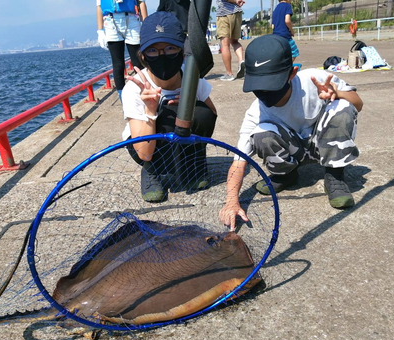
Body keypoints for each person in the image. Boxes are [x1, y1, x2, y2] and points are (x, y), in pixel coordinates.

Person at [219, 35, 363, 230]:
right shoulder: (256, 112)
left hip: (322, 144)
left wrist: (337, 94)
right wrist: (231, 202)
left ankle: (335, 175)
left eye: (272, 84)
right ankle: (285, 174)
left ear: (292, 73)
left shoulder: (316, 80)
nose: (265, 92)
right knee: (261, 133)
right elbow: (238, 162)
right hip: (293, 150)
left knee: (343, 107)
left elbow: (357, 104)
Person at [122, 12, 218, 203]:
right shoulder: (134, 88)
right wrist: (150, 110)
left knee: (200, 113)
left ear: (182, 51)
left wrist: (189, 104)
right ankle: (152, 172)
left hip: (183, 144)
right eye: (153, 50)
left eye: (170, 48)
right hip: (149, 149)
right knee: (166, 115)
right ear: (143, 55)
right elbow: (143, 151)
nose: (162, 55)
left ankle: (195, 164)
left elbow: (211, 116)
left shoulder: (192, 78)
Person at [96, 0, 149, 100]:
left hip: (132, 20)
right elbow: (99, 6)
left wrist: (145, 24)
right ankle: (123, 99)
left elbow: (141, 2)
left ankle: (144, 92)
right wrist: (100, 30)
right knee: (118, 64)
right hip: (110, 22)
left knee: (138, 62)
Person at [215, 0, 246, 81]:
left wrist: (235, 1)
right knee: (235, 41)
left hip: (224, 13)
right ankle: (241, 61)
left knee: (225, 44)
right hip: (237, 13)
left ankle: (229, 73)